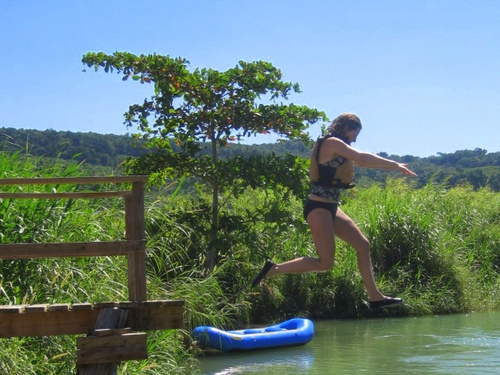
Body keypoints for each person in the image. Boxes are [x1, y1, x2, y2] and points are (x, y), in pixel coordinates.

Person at [251, 113, 418, 309]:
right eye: (354, 134)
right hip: (318, 207)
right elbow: (362, 159)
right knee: (325, 263)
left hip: (331, 207)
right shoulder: (331, 143)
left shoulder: (340, 146)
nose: (355, 139)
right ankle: (273, 270)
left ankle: (375, 297)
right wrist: (395, 165)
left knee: (363, 245)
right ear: (346, 128)